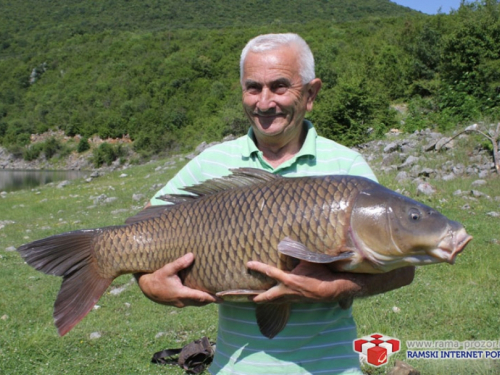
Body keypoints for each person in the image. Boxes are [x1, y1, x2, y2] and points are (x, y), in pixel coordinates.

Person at [136, 33, 415, 374]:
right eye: (254, 87)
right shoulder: (211, 162)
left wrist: (338, 288)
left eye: (280, 86)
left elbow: (403, 269)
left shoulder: (348, 169)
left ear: (311, 94)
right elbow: (141, 230)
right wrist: (149, 284)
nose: (265, 102)